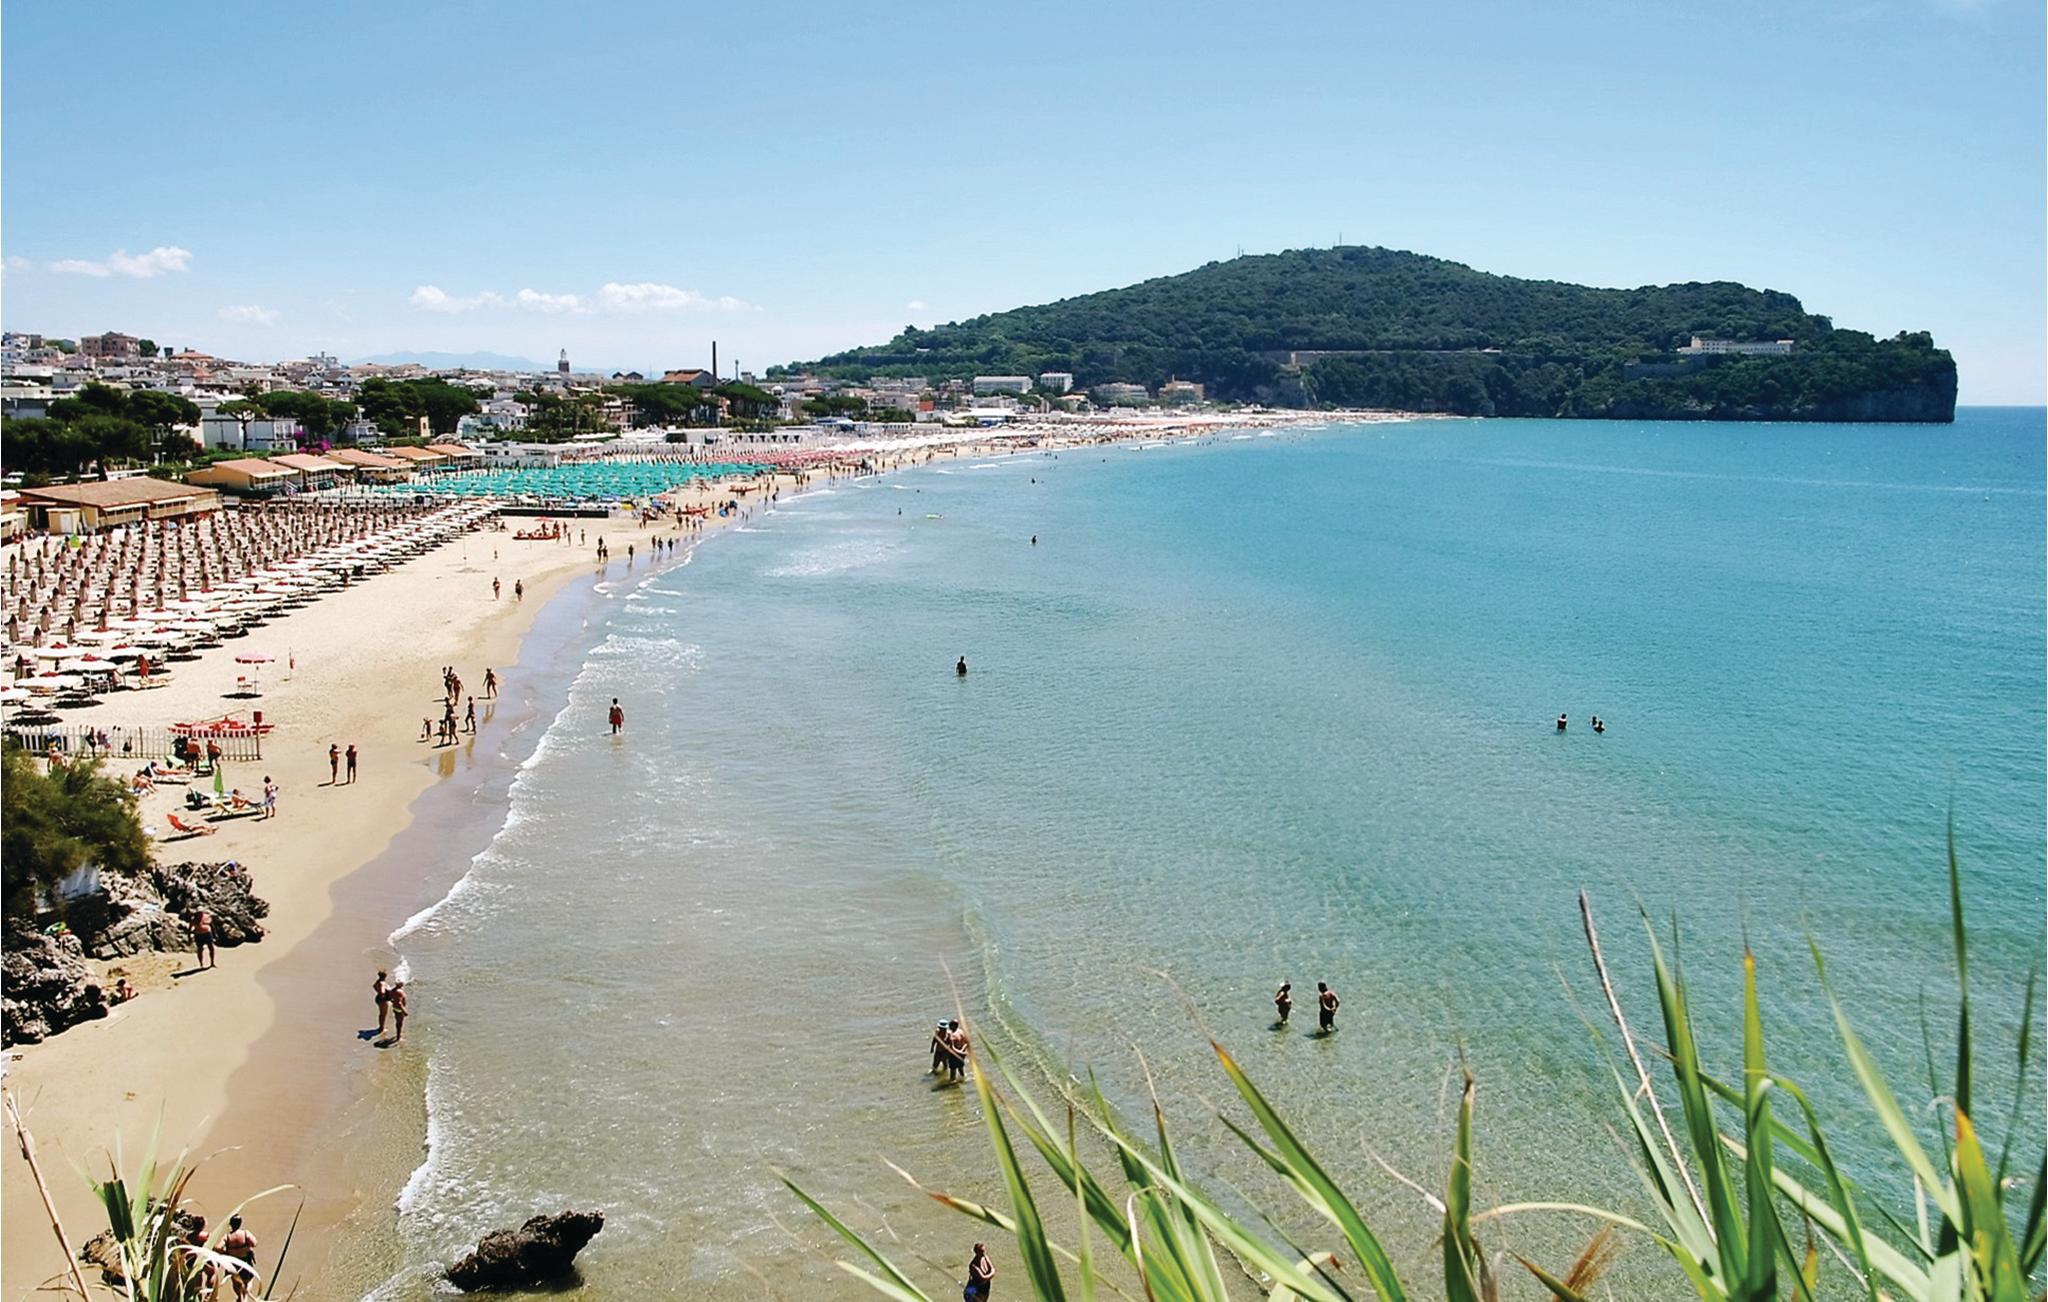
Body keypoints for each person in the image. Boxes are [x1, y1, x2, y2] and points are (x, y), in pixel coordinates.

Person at [220, 1214, 259, 1300]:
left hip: (233, 1263)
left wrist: (226, 1252)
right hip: (244, 1262)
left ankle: (241, 1296)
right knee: (248, 1281)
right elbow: (254, 1243)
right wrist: (246, 1247)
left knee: (236, 1283)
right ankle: (244, 1296)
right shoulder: (245, 1233)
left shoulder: (227, 1237)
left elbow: (218, 1247)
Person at [373, 970, 391, 1035]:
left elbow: (374, 986)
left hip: (378, 998)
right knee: (383, 1014)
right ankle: (381, 1028)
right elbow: (382, 991)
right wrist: (385, 996)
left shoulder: (378, 981)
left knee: (381, 1014)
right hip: (383, 1000)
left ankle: (381, 1026)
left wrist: (378, 991)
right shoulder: (382, 983)